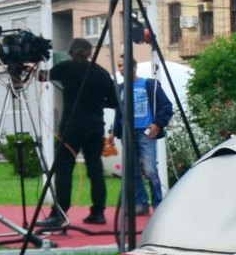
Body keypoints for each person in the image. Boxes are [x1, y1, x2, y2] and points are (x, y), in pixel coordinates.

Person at [40, 37, 118, 229]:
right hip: (95, 127)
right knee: (95, 169)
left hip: (71, 127)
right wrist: (98, 101)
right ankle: (98, 212)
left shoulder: (66, 68)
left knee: (64, 169)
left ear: (71, 51)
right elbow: (115, 102)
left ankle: (60, 213)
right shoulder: (101, 73)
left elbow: (42, 77)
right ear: (90, 52)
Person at [115, 56, 173, 215]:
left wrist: (157, 124)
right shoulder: (119, 88)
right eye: (119, 65)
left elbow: (167, 106)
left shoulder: (149, 85)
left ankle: (158, 203)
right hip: (127, 133)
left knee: (149, 169)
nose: (121, 68)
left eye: (124, 65)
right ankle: (141, 203)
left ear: (134, 67)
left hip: (145, 132)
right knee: (132, 170)